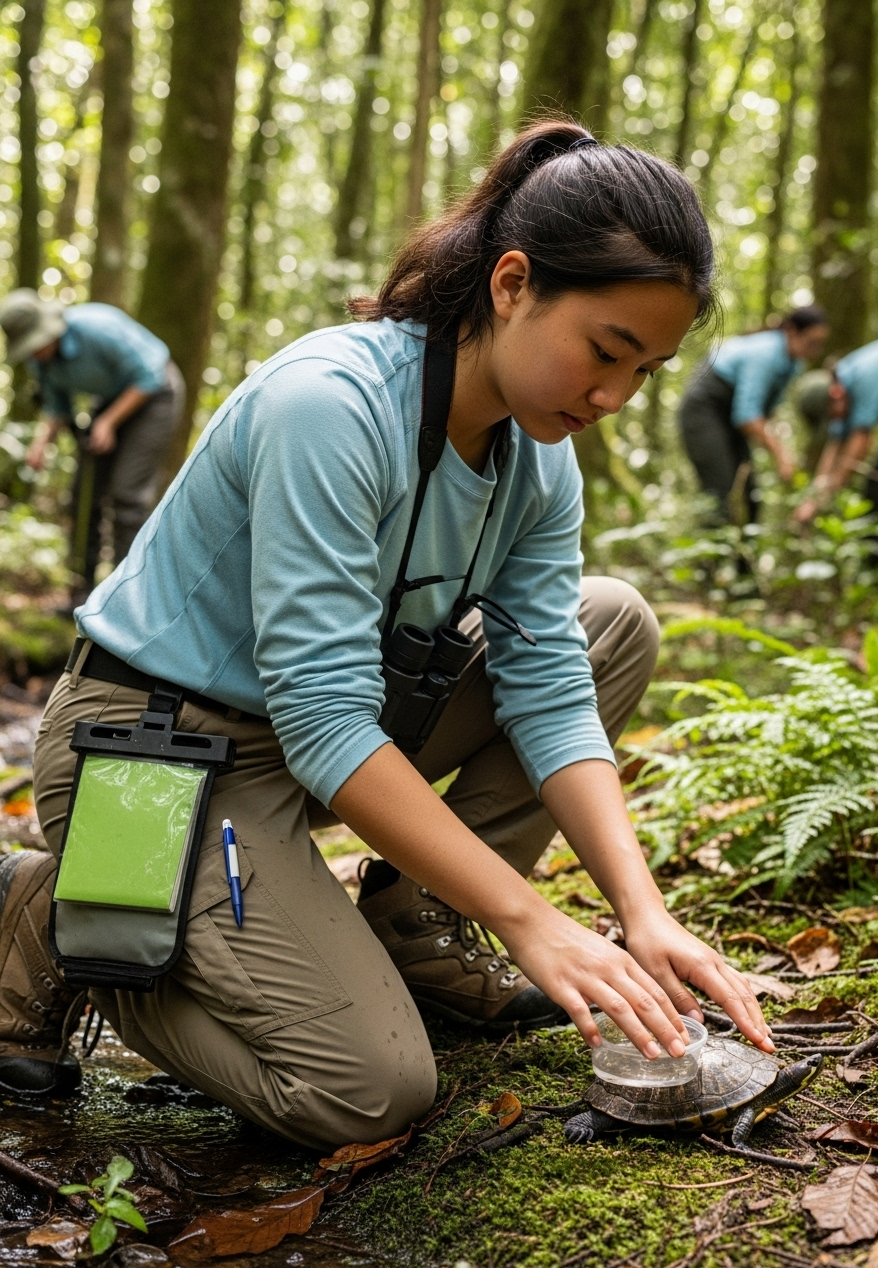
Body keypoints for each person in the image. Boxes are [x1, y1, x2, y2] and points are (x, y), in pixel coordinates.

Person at [1, 122, 774, 1145]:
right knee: (368, 1090)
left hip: (324, 726)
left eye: (646, 372)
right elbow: (324, 719)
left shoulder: (535, 459)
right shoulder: (328, 404)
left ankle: (410, 926)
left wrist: (641, 909)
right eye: (604, 351)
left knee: (609, 624)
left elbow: (544, 683)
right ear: (510, 284)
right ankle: (78, 924)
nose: (613, 397)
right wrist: (531, 917)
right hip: (156, 750)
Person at [0, 291, 185, 606]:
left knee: (127, 495)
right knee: (83, 495)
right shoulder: (41, 362)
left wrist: (109, 422)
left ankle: (126, 599)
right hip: (111, 401)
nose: (36, 352)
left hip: (155, 395)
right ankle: (80, 594)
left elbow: (149, 376)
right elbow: (57, 406)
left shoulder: (98, 328)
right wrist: (40, 444)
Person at [678, 306, 829, 525]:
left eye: (820, 344)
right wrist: (781, 455)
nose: (816, 351)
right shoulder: (765, 352)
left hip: (732, 420)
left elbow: (765, 413)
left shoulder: (794, 364)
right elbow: (747, 416)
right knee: (722, 493)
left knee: (751, 497)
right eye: (811, 342)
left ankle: (744, 559)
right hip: (705, 410)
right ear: (791, 331)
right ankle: (710, 558)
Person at [795, 337, 878, 526]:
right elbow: (834, 445)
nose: (835, 421)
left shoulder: (866, 375)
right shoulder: (842, 388)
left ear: (836, 395)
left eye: (832, 417)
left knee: (877, 487)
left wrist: (826, 494)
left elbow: (861, 442)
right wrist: (814, 497)